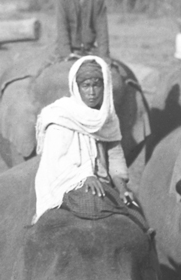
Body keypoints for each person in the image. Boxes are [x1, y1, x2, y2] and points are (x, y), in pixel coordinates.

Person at [32, 55, 129, 223]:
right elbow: (56, 159)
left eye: (97, 85)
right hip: (70, 184)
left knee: (136, 216)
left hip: (104, 185)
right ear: (76, 87)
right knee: (91, 205)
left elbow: (115, 156)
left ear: (104, 86)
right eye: (86, 86)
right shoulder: (60, 115)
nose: (92, 92)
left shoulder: (108, 118)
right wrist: (84, 177)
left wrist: (122, 187)